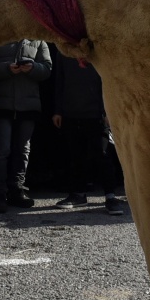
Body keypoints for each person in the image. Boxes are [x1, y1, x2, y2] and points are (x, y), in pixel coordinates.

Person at [49, 47, 125, 213]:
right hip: (70, 111)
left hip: (97, 113)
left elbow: (109, 81)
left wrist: (107, 110)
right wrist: (58, 110)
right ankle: (78, 195)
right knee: (76, 155)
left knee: (103, 155)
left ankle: (111, 197)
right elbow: (59, 81)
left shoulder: (97, 49)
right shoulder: (63, 51)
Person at [0, 38, 52, 209]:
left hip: (28, 106)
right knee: (2, 150)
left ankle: (17, 190)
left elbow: (47, 69)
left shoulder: (39, 41)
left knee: (23, 150)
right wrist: (7, 68)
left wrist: (32, 68)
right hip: (2, 104)